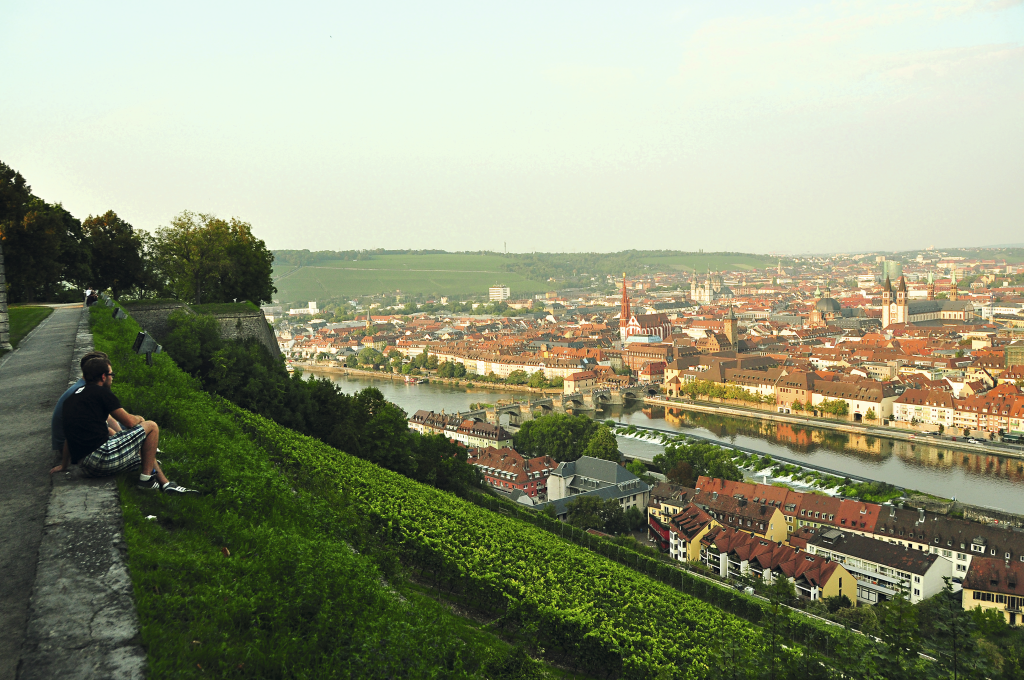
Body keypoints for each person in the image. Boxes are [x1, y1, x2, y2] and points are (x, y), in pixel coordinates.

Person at [53, 356, 194, 492]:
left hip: (85, 466)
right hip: (101, 457)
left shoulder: (72, 398)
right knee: (151, 426)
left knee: (144, 456)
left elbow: (69, 436)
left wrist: (64, 466)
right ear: (103, 376)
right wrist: (140, 418)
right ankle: (147, 481)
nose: (112, 377)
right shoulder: (102, 393)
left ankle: (165, 483)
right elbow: (130, 422)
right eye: (111, 374)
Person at [51, 351, 122, 458]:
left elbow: (108, 418)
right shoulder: (88, 392)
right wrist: (125, 439)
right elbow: (105, 428)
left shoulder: (84, 386)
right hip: (72, 448)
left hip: (68, 443)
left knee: (124, 425)